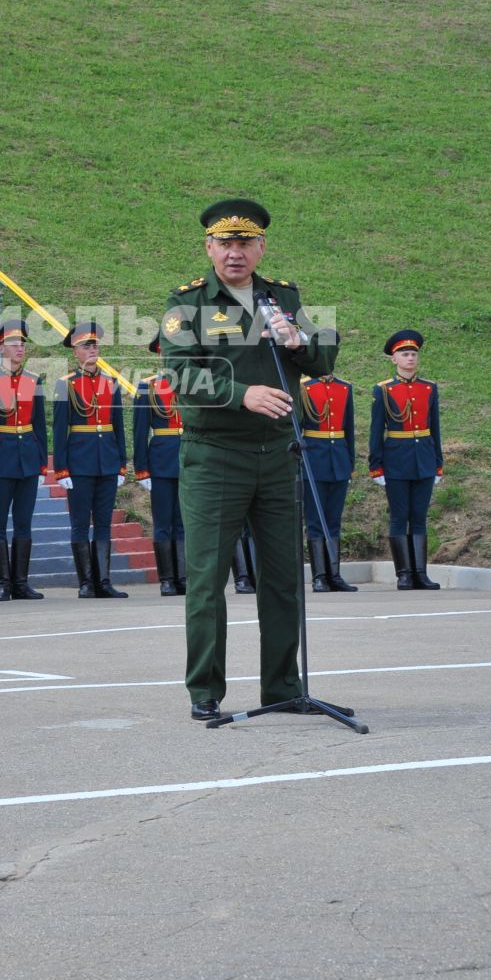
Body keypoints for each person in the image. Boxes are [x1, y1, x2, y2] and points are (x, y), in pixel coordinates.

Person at [163, 199, 338, 723]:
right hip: (216, 455)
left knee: (284, 576)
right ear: (209, 248)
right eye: (225, 243)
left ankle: (283, 686)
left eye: (245, 243)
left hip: (280, 453)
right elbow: (181, 377)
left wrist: (299, 339)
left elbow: (323, 359)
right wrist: (243, 393)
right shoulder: (186, 304)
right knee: (207, 578)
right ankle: (205, 692)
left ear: (261, 247)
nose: (235, 253)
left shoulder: (283, 297)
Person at [52, 320, 128, 600]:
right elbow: (59, 431)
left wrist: (122, 462)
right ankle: (86, 582)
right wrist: (61, 468)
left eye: (95, 344)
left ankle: (104, 581)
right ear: (75, 352)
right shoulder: (66, 385)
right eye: (87, 345)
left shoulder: (111, 382)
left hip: (106, 460)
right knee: (81, 523)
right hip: (80, 462)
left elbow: (118, 426)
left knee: (105, 523)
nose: (93, 349)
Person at [0, 322, 45, 601]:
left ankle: (21, 582)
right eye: (14, 343)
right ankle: (3, 582)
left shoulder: (34, 380)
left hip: (27, 457)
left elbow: (39, 425)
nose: (20, 348)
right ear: (1, 348)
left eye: (23, 343)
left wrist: (41, 463)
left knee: (24, 523)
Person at [369, 330, 443, 590]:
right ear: (394, 359)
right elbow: (376, 430)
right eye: (404, 354)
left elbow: (435, 427)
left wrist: (438, 462)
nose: (410, 358)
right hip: (396, 460)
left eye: (413, 354)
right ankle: (403, 573)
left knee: (420, 517)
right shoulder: (384, 390)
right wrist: (375, 465)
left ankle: (420, 573)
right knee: (400, 517)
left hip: (423, 457)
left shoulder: (429, 388)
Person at [132, 336, 185, 597]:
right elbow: (140, 431)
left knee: (185, 522)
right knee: (164, 522)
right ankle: (167, 578)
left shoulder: (194, 385)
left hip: (191, 461)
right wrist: (142, 469)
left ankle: (185, 577)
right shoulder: (149, 387)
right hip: (162, 462)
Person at [298, 371, 357, 592]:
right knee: (315, 521)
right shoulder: (303, 387)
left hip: (338, 460)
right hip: (313, 460)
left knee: (334, 521)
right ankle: (319, 577)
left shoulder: (344, 387)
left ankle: (335, 575)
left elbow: (348, 428)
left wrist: (349, 461)